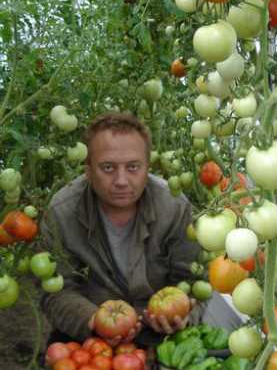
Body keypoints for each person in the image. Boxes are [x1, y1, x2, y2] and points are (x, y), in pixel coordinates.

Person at [39, 111, 197, 344]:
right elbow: (55, 291)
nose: (122, 180)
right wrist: (92, 321)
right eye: (108, 168)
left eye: (133, 167)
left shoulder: (174, 207)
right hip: (90, 338)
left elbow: (193, 280)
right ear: (88, 169)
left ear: (148, 167)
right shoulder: (62, 213)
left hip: (162, 334)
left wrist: (183, 314)